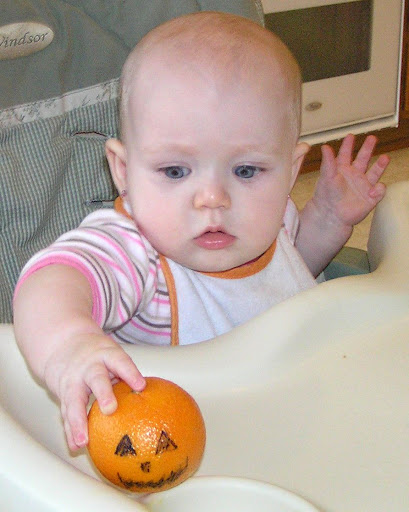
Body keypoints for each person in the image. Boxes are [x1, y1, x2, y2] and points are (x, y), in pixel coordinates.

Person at [13, 12, 389, 452]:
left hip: (288, 421)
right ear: (123, 171)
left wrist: (327, 218)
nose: (213, 198)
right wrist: (69, 344)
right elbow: (53, 281)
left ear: (290, 171)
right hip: (184, 450)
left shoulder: (271, 220)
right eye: (175, 171)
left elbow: (287, 279)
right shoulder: (133, 252)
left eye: (246, 170)